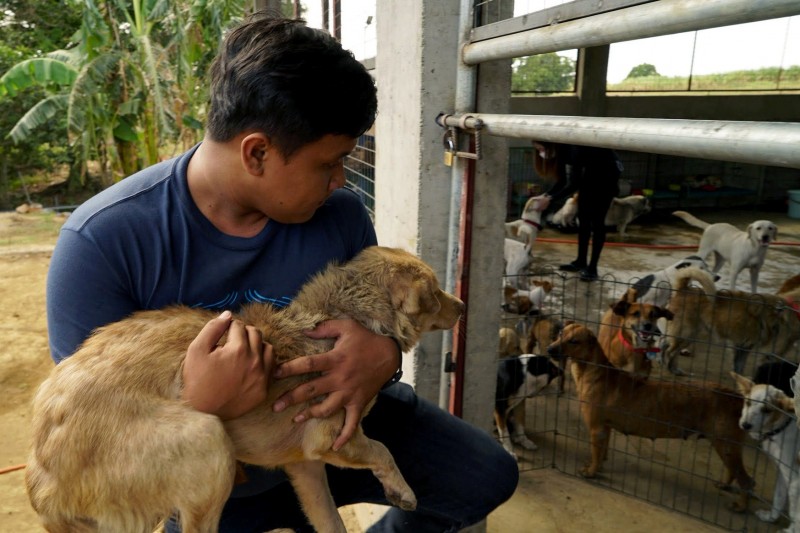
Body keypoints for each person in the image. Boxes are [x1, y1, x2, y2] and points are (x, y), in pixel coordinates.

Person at [45, 12, 518, 533]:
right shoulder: (102, 241)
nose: (342, 181)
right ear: (258, 152)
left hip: (340, 423)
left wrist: (382, 359)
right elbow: (96, 435)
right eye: (330, 163)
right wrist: (206, 407)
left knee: (486, 475)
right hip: (213, 472)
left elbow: (384, 325)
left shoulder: (338, 215)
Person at [530, 141, 622, 282]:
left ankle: (592, 268)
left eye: (541, 148)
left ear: (550, 144)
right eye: (537, 150)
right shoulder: (560, 153)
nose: (541, 152)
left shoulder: (571, 148)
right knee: (583, 219)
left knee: (597, 221)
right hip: (590, 173)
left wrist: (551, 199)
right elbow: (562, 181)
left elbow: (574, 183)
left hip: (607, 174)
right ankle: (580, 261)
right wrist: (546, 195)